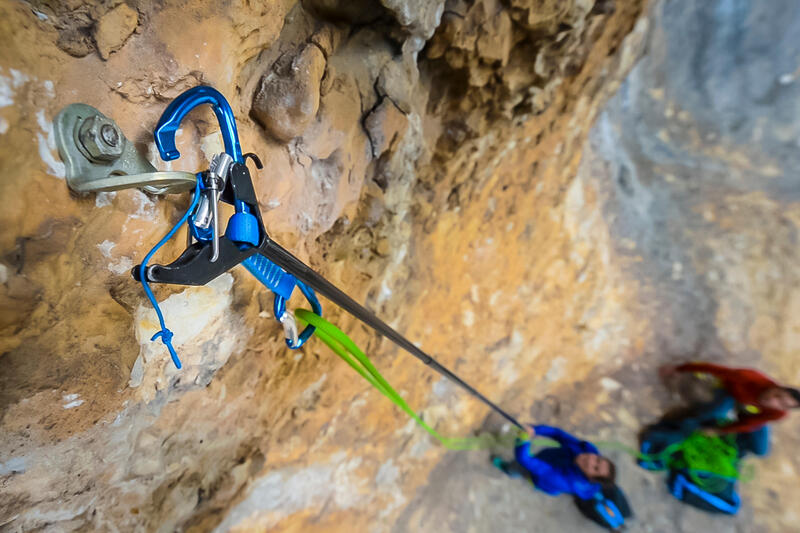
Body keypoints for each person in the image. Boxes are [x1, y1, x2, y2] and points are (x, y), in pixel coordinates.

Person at [493, 424, 630, 530]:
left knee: (518, 468)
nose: (591, 461)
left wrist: (523, 439)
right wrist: (535, 429)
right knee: (535, 463)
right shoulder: (586, 450)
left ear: (590, 477)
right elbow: (558, 434)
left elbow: (525, 460)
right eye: (598, 460)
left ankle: (507, 469)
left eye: (595, 468)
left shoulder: (564, 480)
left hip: (541, 478)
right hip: (549, 460)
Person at [660, 362, 800, 435]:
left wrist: (719, 431)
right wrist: (679, 368)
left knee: (761, 450)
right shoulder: (749, 377)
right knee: (716, 411)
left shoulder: (778, 413)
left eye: (781, 404)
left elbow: (750, 423)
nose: (772, 401)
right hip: (730, 392)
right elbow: (716, 370)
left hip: (749, 407)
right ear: (777, 387)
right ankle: (680, 419)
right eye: (777, 395)